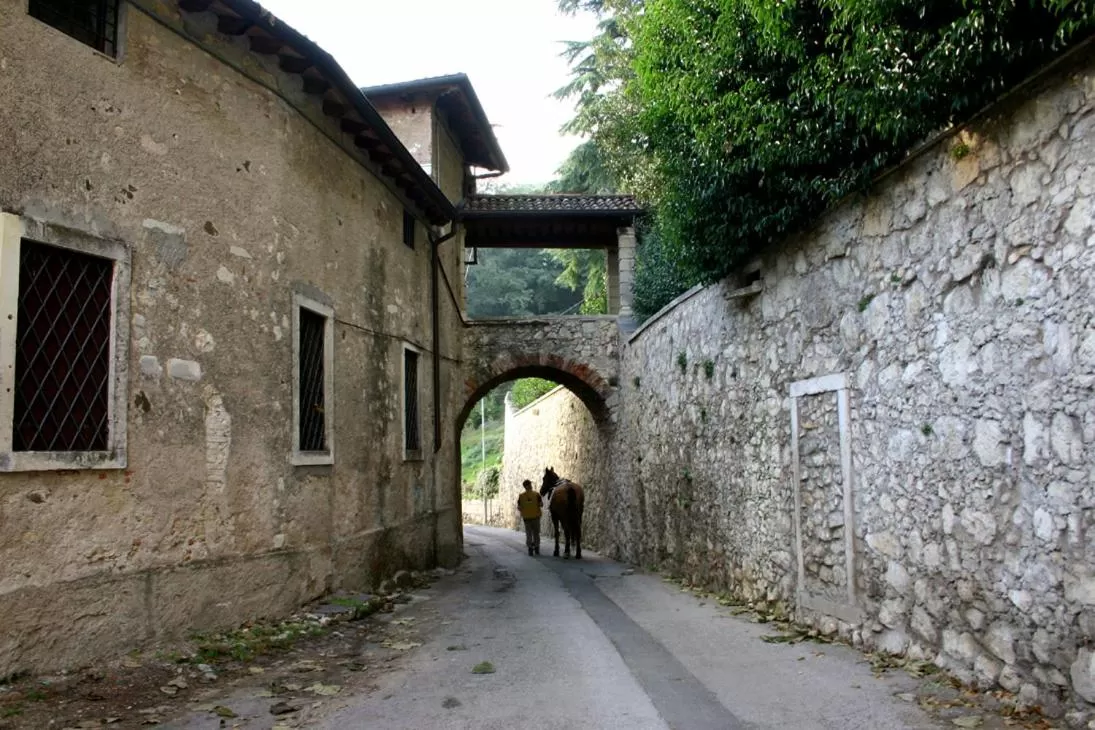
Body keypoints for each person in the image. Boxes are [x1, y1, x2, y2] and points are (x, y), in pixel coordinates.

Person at [517, 479, 543, 556]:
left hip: (526, 518)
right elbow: (541, 504)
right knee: (536, 533)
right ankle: (537, 547)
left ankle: (530, 549)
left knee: (528, 534)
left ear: (524, 487)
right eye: (530, 484)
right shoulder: (537, 494)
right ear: (530, 485)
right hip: (536, 517)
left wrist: (525, 509)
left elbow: (519, 507)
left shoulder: (521, 496)